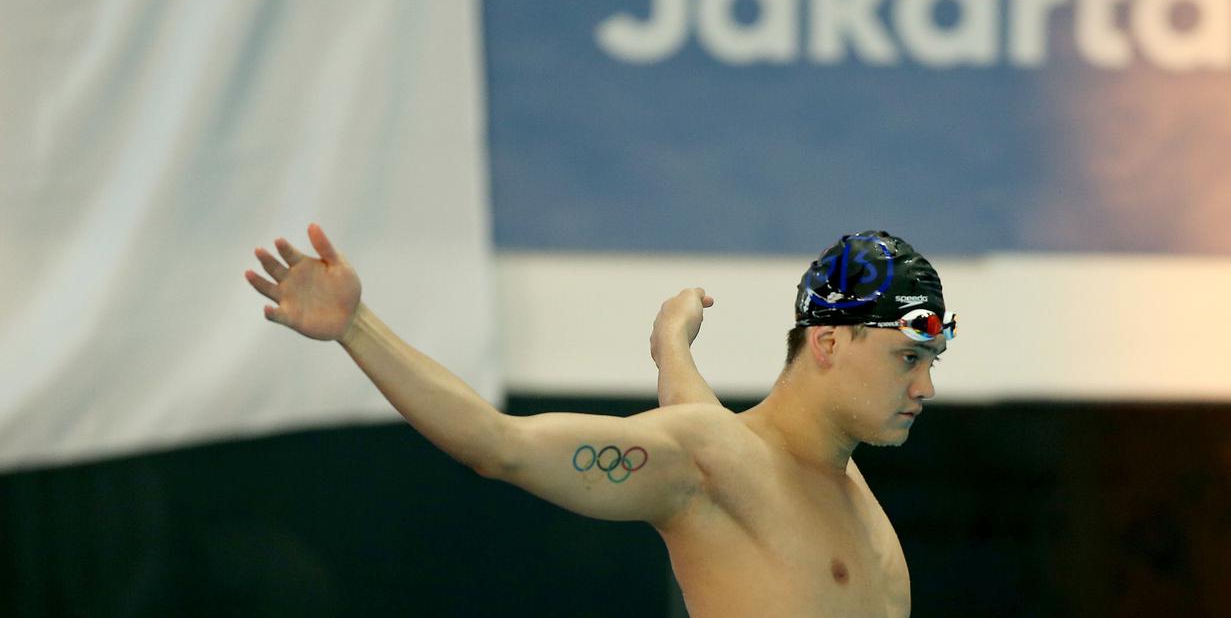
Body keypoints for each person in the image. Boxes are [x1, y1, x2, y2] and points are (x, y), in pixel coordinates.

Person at [244, 225, 954, 617]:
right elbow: (501, 446)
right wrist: (356, 327)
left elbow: (715, 443)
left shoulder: (847, 496)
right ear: (828, 342)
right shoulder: (710, 458)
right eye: (906, 358)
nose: (924, 385)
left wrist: (670, 346)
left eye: (933, 360)